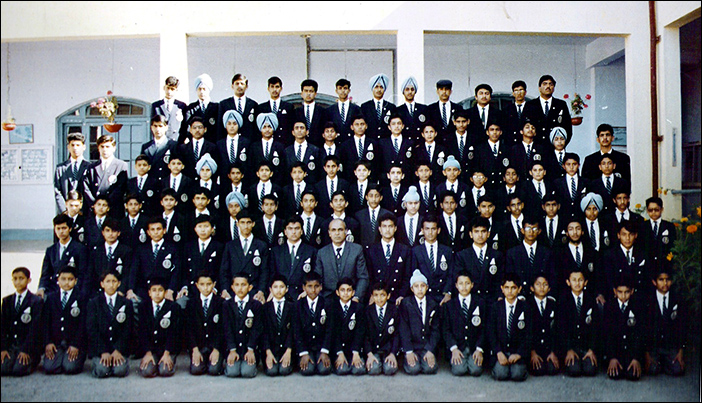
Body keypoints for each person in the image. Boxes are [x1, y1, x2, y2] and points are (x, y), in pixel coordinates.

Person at [86, 270, 133, 378]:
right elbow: (92, 330)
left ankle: (118, 362)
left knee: (120, 371)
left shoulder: (126, 303)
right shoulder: (94, 303)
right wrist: (103, 351)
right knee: (102, 371)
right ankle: (100, 363)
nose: (111, 285)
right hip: (101, 348)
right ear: (102, 284)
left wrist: (118, 349)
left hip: (118, 348)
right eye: (107, 281)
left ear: (119, 283)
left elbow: (128, 329)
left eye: (114, 281)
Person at [42, 265, 87, 375]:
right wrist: (48, 342)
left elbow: (83, 324)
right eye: (63, 279)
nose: (67, 282)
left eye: (70, 279)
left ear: (76, 281)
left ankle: (72, 359)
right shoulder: (51, 298)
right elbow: (45, 322)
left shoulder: (81, 298)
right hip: (56, 343)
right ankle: (60, 357)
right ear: (58, 280)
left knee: (70, 368)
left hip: (73, 343)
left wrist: (76, 344)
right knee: (49, 368)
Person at [127, 216, 181, 304]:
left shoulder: (172, 248)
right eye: (152, 229)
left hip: (165, 290)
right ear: (148, 232)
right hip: (144, 290)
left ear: (164, 230)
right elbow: (134, 270)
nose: (156, 232)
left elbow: (177, 271)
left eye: (158, 229)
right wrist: (130, 289)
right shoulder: (141, 249)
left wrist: (170, 290)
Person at [556, 267, 599, 377]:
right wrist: (568, 349)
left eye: (580, 280)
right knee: (574, 371)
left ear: (585, 282)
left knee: (590, 370)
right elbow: (561, 328)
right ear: (568, 282)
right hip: (571, 346)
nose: (577, 283)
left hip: (586, 347)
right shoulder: (563, 300)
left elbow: (595, 327)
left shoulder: (590, 299)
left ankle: (586, 358)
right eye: (574, 280)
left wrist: (591, 349)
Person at [442, 270, 486, 377]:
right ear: (456, 285)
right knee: (459, 370)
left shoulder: (480, 303)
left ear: (472, 285)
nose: (464, 287)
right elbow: (446, 330)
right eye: (461, 284)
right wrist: (454, 348)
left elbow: (484, 328)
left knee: (475, 371)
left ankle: (471, 359)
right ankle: (461, 359)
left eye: (467, 283)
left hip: (474, 346)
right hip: (458, 346)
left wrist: (479, 349)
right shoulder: (449, 305)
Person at [1, 267, 44, 376]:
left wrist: (26, 349)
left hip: (27, 346)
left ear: (29, 280)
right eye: (15, 279)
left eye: (21, 278)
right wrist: (3, 348)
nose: (18, 282)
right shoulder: (7, 301)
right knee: (3, 369)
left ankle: (33, 360)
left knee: (18, 370)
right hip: (12, 346)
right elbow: (3, 326)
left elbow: (35, 328)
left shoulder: (36, 301)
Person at [219, 209, 270, 303]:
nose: (245, 226)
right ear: (237, 224)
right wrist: (225, 289)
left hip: (254, 292)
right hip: (234, 291)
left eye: (248, 222)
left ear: (253, 224)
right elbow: (224, 270)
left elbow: (264, 271)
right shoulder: (230, 245)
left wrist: (261, 291)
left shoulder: (261, 245)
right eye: (242, 222)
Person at [645, 266, 687, 377]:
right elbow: (644, 328)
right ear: (654, 282)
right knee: (652, 370)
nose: (665, 283)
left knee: (678, 370)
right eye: (661, 280)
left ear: (671, 281)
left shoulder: (676, 298)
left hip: (670, 346)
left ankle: (666, 363)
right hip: (654, 346)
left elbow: (682, 326)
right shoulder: (648, 300)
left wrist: (680, 351)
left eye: (667, 280)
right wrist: (646, 354)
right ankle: (660, 363)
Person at [315, 219, 370, 302]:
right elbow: (317, 279)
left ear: (346, 231)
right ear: (329, 233)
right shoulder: (322, 253)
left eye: (340, 230)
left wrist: (357, 297)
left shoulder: (356, 250)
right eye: (333, 230)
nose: (337, 233)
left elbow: (363, 277)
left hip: (351, 299)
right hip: (327, 299)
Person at [489, 273, 529, 381]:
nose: (510, 291)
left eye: (513, 288)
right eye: (506, 287)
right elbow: (491, 332)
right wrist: (498, 352)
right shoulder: (495, 307)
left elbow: (528, 334)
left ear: (519, 289)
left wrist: (519, 354)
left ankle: (519, 367)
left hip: (517, 351)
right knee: (501, 374)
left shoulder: (525, 308)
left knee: (517, 375)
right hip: (501, 350)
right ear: (502, 289)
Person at [455, 217, 504, 305]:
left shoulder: (497, 255)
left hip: (492, 301)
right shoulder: (462, 255)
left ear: (488, 234)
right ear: (470, 234)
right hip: (471, 301)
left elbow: (500, 279)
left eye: (483, 231)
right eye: (476, 231)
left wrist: (499, 298)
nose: (480, 235)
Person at [603, 275, 644, 381]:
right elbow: (607, 334)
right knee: (615, 375)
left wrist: (635, 358)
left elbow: (639, 333)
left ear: (632, 291)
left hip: (631, 353)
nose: (623, 296)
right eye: (620, 292)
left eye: (627, 292)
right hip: (616, 353)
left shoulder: (637, 306)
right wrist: (612, 357)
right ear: (615, 291)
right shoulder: (609, 306)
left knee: (633, 375)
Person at [399, 270, 440, 375]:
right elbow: (404, 329)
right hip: (412, 346)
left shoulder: (433, 304)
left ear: (427, 287)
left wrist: (430, 350)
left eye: (422, 286)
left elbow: (435, 329)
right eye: (416, 286)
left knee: (429, 369)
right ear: (412, 289)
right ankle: (410, 359)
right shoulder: (406, 304)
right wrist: (409, 351)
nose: (420, 289)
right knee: (413, 369)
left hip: (426, 345)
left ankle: (425, 357)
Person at [365, 213, 412, 305]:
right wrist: (373, 294)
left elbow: (407, 276)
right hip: (378, 297)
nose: (387, 230)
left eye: (390, 226)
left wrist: (402, 295)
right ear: (379, 229)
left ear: (395, 228)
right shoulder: (371, 250)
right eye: (384, 226)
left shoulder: (404, 250)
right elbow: (369, 276)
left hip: (397, 298)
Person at [137, 277, 180, 378]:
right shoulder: (143, 307)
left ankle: (164, 362)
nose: (157, 293)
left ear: (165, 292)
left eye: (160, 290)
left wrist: (167, 353)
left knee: (165, 371)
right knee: (147, 372)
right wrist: (148, 353)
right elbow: (142, 331)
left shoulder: (173, 307)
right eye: (154, 290)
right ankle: (154, 363)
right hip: (151, 349)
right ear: (149, 293)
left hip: (167, 349)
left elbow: (174, 333)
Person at [557, 219, 605, 307]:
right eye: (571, 229)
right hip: (566, 299)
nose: (575, 232)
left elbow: (598, 275)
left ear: (583, 232)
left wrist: (599, 293)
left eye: (578, 228)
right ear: (566, 233)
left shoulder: (592, 253)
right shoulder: (559, 254)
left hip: (589, 297)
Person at [223, 272, 262, 378]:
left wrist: (251, 349)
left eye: (243, 285)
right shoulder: (227, 305)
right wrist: (232, 349)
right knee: (232, 373)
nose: (240, 288)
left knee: (247, 373)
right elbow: (227, 329)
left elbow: (256, 329)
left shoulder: (256, 305)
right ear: (232, 287)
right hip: (234, 348)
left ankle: (251, 363)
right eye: (237, 285)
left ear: (250, 287)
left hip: (248, 348)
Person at [39, 214, 88, 298]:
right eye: (58, 228)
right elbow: (45, 274)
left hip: (73, 290)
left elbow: (83, 274)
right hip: (54, 290)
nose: (61, 231)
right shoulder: (51, 250)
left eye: (64, 228)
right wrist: (41, 288)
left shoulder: (80, 249)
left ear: (70, 229)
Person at [185, 271, 224, 376]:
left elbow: (222, 328)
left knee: (214, 370)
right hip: (199, 346)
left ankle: (214, 362)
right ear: (197, 285)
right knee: (196, 370)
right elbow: (189, 329)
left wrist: (216, 349)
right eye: (202, 284)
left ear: (214, 284)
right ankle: (203, 362)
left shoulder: (220, 303)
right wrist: (194, 349)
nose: (205, 288)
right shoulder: (191, 303)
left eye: (209, 284)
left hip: (214, 346)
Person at [293, 272, 332, 376]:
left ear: (321, 287)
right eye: (309, 286)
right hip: (306, 347)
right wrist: (303, 353)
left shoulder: (327, 304)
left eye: (316, 286)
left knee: (324, 370)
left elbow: (329, 330)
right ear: (304, 287)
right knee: (307, 370)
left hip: (321, 347)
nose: (313, 290)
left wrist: (324, 351)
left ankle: (319, 358)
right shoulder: (298, 305)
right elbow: (297, 331)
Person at [179, 215, 223, 308]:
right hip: (191, 289)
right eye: (200, 226)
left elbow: (221, 271)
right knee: (181, 303)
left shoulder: (219, 247)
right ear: (195, 229)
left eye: (206, 226)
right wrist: (184, 286)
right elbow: (183, 269)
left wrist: (215, 288)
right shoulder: (188, 246)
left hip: (211, 289)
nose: (203, 230)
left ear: (212, 229)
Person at [409, 214, 454, 306]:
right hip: (424, 297)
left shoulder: (447, 251)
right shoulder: (416, 251)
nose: (430, 232)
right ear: (422, 230)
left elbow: (451, 274)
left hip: (443, 297)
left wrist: (448, 292)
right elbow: (414, 273)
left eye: (433, 229)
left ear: (438, 230)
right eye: (427, 229)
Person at [269, 217, 317, 300]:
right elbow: (272, 274)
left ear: (302, 231)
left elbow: (314, 275)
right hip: (281, 295)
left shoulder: (311, 251)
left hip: (302, 295)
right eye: (290, 228)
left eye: (297, 228)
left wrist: (307, 291)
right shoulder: (276, 251)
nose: (294, 232)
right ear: (285, 232)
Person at [505, 216, 555, 293]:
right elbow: (510, 278)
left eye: (534, 229)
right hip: (520, 295)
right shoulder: (512, 253)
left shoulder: (547, 252)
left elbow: (552, 277)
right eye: (528, 229)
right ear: (522, 230)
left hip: (541, 295)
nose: (531, 232)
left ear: (539, 231)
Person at [82, 134, 128, 218]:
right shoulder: (92, 167)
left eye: (107, 147)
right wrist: (96, 204)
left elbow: (120, 188)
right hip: (95, 211)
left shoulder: (121, 165)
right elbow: (86, 188)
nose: (104, 149)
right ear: (98, 148)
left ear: (114, 148)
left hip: (114, 209)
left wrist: (106, 204)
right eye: (102, 147)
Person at [329, 278, 366, 376]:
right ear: (337, 292)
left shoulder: (358, 307)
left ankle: (353, 360)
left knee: (358, 370)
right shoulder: (332, 307)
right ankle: (339, 361)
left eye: (349, 290)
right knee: (342, 370)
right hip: (338, 349)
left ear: (353, 292)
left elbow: (360, 332)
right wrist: (339, 352)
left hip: (352, 348)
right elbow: (333, 332)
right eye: (342, 290)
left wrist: (356, 352)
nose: (345, 293)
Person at [522, 75, 572, 147]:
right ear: (539, 88)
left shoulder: (560, 105)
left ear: (553, 88)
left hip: (554, 147)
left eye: (550, 84)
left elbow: (568, 129)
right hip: (536, 147)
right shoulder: (530, 104)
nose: (548, 86)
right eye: (545, 84)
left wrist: (560, 146)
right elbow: (524, 127)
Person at [87, 217, 132, 297]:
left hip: (118, 292)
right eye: (107, 231)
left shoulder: (126, 251)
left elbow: (127, 274)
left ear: (119, 233)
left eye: (114, 231)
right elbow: (91, 274)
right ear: (103, 232)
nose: (110, 234)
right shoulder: (96, 251)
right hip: (99, 293)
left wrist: (121, 291)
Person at [603, 220, 650, 295]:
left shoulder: (642, 254)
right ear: (618, 235)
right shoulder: (610, 255)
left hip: (638, 296)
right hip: (617, 297)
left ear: (636, 235)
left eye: (631, 234)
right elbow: (608, 281)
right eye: (624, 234)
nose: (627, 238)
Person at [364, 281, 400, 376]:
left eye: (382, 295)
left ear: (388, 296)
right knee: (373, 370)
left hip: (388, 350)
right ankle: (376, 362)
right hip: (373, 349)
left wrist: (393, 353)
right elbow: (365, 335)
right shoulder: (367, 311)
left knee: (390, 369)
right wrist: (369, 354)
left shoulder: (394, 310)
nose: (379, 298)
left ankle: (386, 361)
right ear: (372, 296)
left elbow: (396, 335)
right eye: (376, 295)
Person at [261, 274, 294, 377]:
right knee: (272, 372)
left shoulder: (292, 307)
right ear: (270, 289)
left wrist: (288, 351)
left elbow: (293, 331)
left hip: (286, 349)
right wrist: (268, 352)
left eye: (282, 287)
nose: (278, 290)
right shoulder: (265, 308)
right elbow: (264, 332)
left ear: (286, 289)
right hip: (271, 349)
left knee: (284, 370)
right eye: (275, 287)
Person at [526, 274, 559, 376]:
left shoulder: (553, 304)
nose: (541, 287)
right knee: (538, 370)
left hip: (548, 348)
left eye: (545, 285)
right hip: (534, 349)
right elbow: (526, 332)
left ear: (549, 289)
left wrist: (553, 351)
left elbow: (557, 330)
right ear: (532, 288)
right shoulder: (527, 305)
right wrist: (532, 352)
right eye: (538, 284)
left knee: (552, 369)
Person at [338, 115, 380, 184]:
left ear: (366, 126)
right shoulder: (345, 145)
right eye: (357, 124)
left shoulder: (373, 143)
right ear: (352, 127)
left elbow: (377, 164)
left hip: (370, 181)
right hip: (351, 181)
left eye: (362, 124)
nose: (360, 127)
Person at [54, 132, 90, 214]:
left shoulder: (89, 167)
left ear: (84, 147)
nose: (75, 148)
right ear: (68, 147)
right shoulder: (61, 168)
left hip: (85, 212)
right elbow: (57, 191)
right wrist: (65, 210)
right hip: (66, 212)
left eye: (78, 145)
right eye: (72, 145)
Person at [249, 113, 287, 187]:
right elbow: (251, 167)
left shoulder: (280, 146)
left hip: (276, 185)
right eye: (264, 127)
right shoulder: (254, 147)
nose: (267, 130)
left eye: (269, 127)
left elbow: (283, 168)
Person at [255, 76, 295, 146]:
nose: (274, 90)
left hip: (284, 143)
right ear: (268, 89)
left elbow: (291, 127)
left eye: (277, 87)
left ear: (281, 88)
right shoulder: (261, 108)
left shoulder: (288, 107)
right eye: (272, 87)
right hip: (267, 143)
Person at [216, 109, 251, 187]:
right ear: (225, 126)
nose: (232, 126)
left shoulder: (246, 143)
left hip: (242, 182)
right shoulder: (219, 144)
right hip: (224, 181)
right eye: (229, 124)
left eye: (234, 124)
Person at [181, 74, 219, 143]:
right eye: (199, 89)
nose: (202, 92)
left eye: (204, 89)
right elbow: (187, 127)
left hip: (212, 143)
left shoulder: (216, 107)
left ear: (208, 90)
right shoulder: (191, 108)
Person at [218, 73, 256, 141]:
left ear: (246, 86)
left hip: (249, 142)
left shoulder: (253, 104)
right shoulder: (224, 104)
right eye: (237, 83)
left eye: (242, 84)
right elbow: (220, 127)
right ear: (232, 86)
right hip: (230, 142)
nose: (239, 86)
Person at [143, 115, 180, 185]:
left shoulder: (173, 145)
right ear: (151, 127)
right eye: (155, 126)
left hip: (167, 183)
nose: (157, 129)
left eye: (160, 126)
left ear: (166, 127)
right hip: (152, 184)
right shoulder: (146, 147)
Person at [378, 114, 414, 185]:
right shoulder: (382, 143)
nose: (396, 126)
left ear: (403, 126)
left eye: (399, 123)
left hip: (405, 181)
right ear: (389, 127)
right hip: (387, 181)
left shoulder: (410, 143)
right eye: (393, 124)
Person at [179, 116, 218, 180]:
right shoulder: (183, 148)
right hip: (188, 182)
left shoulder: (212, 147)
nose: (197, 130)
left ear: (205, 129)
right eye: (194, 128)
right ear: (190, 130)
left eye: (200, 127)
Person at [285, 119, 323, 184]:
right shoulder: (287, 151)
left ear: (307, 132)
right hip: (292, 186)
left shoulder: (315, 150)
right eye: (297, 128)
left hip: (311, 185)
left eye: (302, 128)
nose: (299, 130)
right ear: (293, 132)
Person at [475, 122, 510, 192]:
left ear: (501, 132)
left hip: (502, 187)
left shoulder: (506, 148)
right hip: (486, 187)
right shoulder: (480, 149)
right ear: (487, 132)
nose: (494, 132)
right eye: (492, 130)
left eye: (497, 130)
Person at [641, 197, 676, 265]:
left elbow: (673, 246)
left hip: (664, 264)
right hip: (648, 264)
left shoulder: (669, 226)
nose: (653, 212)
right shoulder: (642, 226)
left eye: (656, 210)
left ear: (661, 209)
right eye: (650, 210)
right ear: (647, 211)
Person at [151, 76, 188, 142]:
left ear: (176, 90)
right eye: (167, 88)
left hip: (176, 142)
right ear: (164, 88)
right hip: (161, 142)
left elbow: (185, 126)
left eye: (172, 89)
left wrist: (181, 141)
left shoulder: (181, 106)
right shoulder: (156, 106)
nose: (169, 91)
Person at [553, 152, 587, 222]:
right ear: (563, 166)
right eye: (568, 164)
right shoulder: (557, 183)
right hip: (563, 218)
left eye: (574, 164)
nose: (571, 167)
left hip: (581, 218)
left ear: (578, 165)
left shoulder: (585, 182)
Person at [361, 73, 396, 139]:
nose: (379, 90)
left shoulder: (391, 107)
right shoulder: (365, 106)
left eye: (381, 87)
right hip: (370, 141)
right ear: (372, 89)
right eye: (376, 87)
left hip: (386, 142)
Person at [443, 108, 473, 183]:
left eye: (463, 121)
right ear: (454, 122)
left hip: (469, 176)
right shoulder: (448, 139)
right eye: (458, 122)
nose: (461, 125)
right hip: (453, 177)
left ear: (468, 121)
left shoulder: (474, 139)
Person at [326, 78, 361, 143]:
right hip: (336, 143)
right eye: (340, 88)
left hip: (351, 143)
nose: (342, 91)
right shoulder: (330, 110)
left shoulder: (356, 109)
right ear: (336, 91)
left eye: (345, 88)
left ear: (349, 90)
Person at [396, 76, 428, 143]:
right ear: (403, 92)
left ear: (415, 91)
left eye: (412, 89)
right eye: (407, 89)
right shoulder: (398, 110)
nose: (410, 92)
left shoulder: (423, 108)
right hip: (405, 144)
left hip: (420, 144)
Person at [295, 79, 328, 146]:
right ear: (302, 93)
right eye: (306, 91)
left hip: (318, 146)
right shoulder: (296, 112)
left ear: (315, 94)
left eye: (311, 91)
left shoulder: (323, 111)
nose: (308, 94)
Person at [162, 150, 194, 216]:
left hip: (183, 214)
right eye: (173, 164)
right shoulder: (163, 181)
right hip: (167, 213)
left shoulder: (188, 181)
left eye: (179, 164)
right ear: (169, 166)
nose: (176, 166)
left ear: (183, 166)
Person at [502, 80, 528, 147]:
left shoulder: (532, 108)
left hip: (527, 143)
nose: (519, 93)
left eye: (521, 90)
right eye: (516, 90)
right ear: (513, 93)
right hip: (511, 145)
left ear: (525, 92)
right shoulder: (507, 110)